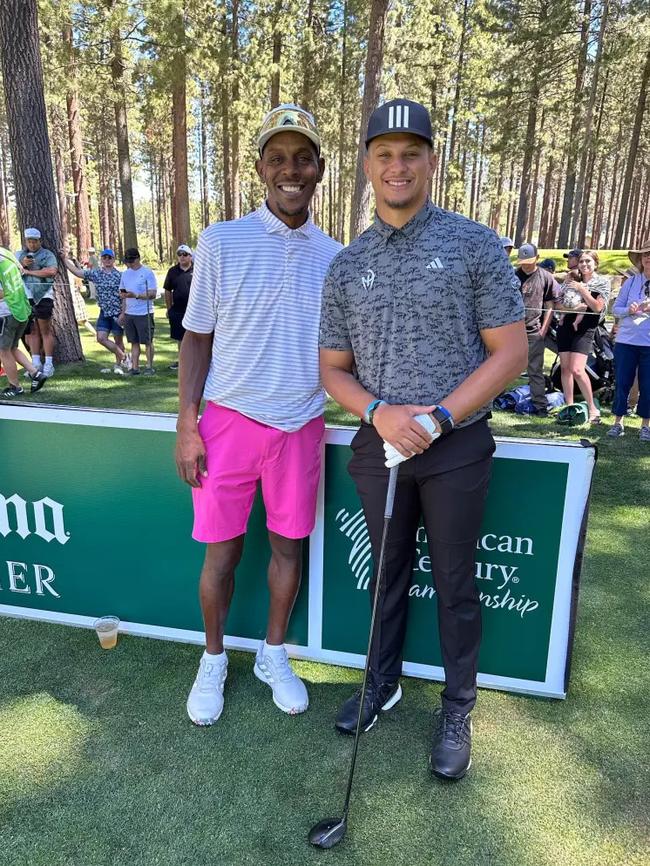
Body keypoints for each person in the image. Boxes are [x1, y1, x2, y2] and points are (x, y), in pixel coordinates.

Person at [319, 98, 527, 780]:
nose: (397, 166)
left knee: (458, 583)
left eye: (411, 153)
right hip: (381, 447)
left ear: (431, 162)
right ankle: (381, 683)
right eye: (385, 154)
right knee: (386, 577)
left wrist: (436, 417)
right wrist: (380, 412)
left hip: (455, 445)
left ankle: (457, 706)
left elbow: (510, 353)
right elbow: (331, 368)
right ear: (368, 165)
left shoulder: (472, 244)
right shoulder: (347, 264)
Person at [176, 104, 341, 726]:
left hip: (300, 423)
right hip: (227, 421)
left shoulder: (337, 256)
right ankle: (213, 660)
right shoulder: (221, 240)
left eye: (302, 158)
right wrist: (187, 423)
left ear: (319, 170)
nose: (290, 170)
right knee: (221, 556)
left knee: (287, 548)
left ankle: (274, 655)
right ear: (260, 169)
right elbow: (197, 338)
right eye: (278, 158)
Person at [556, 250, 610, 423]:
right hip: (566, 326)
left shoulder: (602, 282)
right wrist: (574, 308)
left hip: (586, 328)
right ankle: (570, 406)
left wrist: (581, 290)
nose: (584, 265)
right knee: (565, 369)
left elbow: (597, 308)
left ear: (595, 263)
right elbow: (559, 303)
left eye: (588, 261)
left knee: (578, 369)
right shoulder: (571, 279)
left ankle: (593, 410)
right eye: (581, 261)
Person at [607, 238, 650, 441]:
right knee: (622, 382)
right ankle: (618, 423)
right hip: (626, 342)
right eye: (646, 255)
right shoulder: (631, 282)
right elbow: (615, 309)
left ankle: (645, 426)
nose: (649, 258)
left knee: (648, 385)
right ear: (641, 259)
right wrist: (629, 310)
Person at [61, 247, 128, 372]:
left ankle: (118, 365)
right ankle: (124, 357)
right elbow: (77, 272)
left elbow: (125, 297)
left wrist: (123, 313)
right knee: (101, 338)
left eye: (110, 257)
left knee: (118, 339)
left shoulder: (120, 276)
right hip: (104, 312)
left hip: (117, 312)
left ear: (113, 259)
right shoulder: (96, 273)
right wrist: (64, 259)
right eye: (105, 257)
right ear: (101, 259)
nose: (107, 260)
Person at [515, 243, 556, 416]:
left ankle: (540, 406)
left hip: (534, 331)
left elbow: (550, 306)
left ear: (537, 259)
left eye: (529, 261)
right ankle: (494, 400)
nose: (525, 264)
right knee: (501, 368)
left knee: (535, 370)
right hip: (512, 331)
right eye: (523, 261)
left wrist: (543, 330)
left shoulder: (545, 277)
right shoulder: (513, 275)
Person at [0, 247, 47, 397]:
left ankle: (15, 387)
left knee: (3, 351)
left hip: (7, 311)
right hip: (22, 308)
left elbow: (1, 293)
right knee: (12, 347)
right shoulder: (6, 253)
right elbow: (20, 271)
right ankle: (36, 374)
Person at [16, 227, 58, 378]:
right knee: (32, 331)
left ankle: (49, 364)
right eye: (29, 241)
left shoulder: (47, 254)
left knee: (45, 330)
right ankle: (35, 363)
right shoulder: (19, 255)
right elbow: (13, 271)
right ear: (25, 241)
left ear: (40, 241)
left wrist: (29, 272)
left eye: (35, 241)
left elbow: (52, 271)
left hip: (44, 296)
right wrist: (23, 264)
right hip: (26, 297)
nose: (32, 244)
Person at [118, 248, 157, 376]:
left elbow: (152, 293)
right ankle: (135, 368)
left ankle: (149, 366)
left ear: (138, 259)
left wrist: (137, 295)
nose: (129, 264)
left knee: (147, 341)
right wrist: (123, 312)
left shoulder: (147, 272)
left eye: (132, 261)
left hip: (144, 312)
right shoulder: (125, 274)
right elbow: (123, 294)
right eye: (127, 261)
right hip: (130, 312)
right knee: (133, 341)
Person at [163, 244, 193, 370]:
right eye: (179, 254)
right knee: (180, 337)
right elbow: (168, 290)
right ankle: (182, 361)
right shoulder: (172, 271)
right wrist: (169, 308)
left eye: (185, 254)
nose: (182, 257)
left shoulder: (198, 270)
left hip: (195, 310)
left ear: (190, 256)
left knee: (195, 336)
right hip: (178, 310)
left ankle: (194, 361)